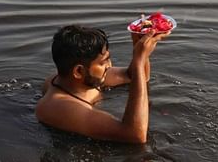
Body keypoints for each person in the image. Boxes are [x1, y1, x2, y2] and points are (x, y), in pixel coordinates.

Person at [35, 24, 170, 143]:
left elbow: (133, 77)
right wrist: (139, 60)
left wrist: (139, 48)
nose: (109, 65)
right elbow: (135, 135)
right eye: (102, 62)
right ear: (78, 71)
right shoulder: (60, 107)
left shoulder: (79, 81)